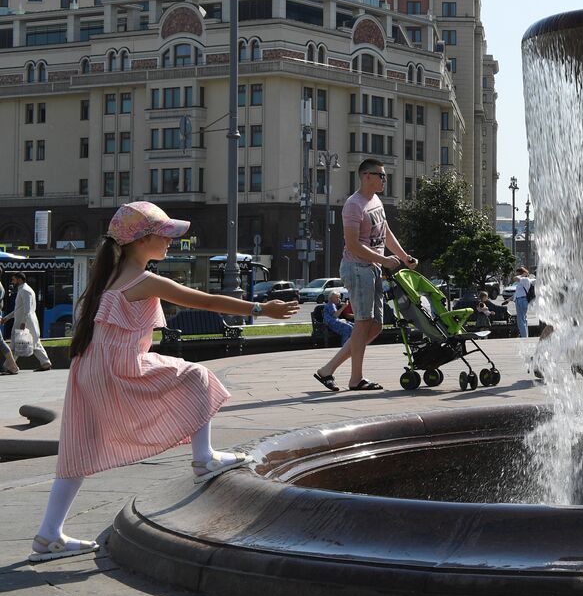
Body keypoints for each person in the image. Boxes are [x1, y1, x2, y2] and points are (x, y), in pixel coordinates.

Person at [29, 201, 297, 563]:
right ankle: (203, 458)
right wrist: (261, 309)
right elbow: (204, 301)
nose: (171, 241)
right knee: (197, 376)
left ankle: (49, 534)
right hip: (121, 365)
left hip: (89, 367)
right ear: (141, 240)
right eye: (165, 235)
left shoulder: (105, 275)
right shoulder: (145, 280)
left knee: (79, 449)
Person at [313, 158, 417, 392]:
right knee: (362, 324)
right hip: (358, 269)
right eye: (381, 175)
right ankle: (355, 379)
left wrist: (403, 257)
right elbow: (352, 245)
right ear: (366, 176)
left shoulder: (375, 201)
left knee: (376, 326)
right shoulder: (354, 205)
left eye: (385, 176)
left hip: (373, 269)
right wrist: (384, 261)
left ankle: (328, 370)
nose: (384, 180)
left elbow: (385, 233)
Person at [2, 271, 53, 371]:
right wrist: (6, 318)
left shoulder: (25, 290)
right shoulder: (23, 290)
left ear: (19, 280)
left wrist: (23, 323)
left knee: (17, 344)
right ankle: (46, 363)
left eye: (13, 279)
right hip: (24, 322)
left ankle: (9, 367)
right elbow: (18, 309)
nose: (12, 281)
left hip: (25, 323)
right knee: (33, 343)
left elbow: (27, 309)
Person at [512, 266, 533, 338]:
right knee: (523, 318)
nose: (517, 275)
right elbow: (517, 293)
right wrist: (508, 300)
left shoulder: (524, 279)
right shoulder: (523, 281)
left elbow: (514, 278)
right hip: (521, 300)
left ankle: (524, 336)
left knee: (520, 320)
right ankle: (525, 335)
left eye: (518, 273)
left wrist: (523, 274)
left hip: (521, 300)